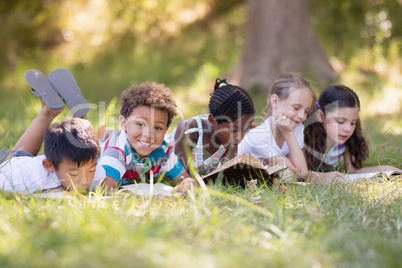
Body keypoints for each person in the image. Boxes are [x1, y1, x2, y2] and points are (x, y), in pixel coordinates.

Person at [0, 69, 104, 193]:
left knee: (18, 155)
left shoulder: (89, 166)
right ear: (49, 166)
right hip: (8, 167)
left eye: (91, 170)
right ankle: (70, 115)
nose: (84, 181)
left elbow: (110, 188)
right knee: (14, 158)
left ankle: (54, 113)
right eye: (74, 174)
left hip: (23, 162)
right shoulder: (28, 180)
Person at [98, 82, 195, 194]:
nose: (148, 134)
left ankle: (107, 133)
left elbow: (183, 178)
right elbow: (106, 192)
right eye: (140, 124)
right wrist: (150, 200)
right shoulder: (116, 151)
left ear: (166, 129)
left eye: (158, 127)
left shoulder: (163, 149)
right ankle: (104, 134)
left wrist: (188, 184)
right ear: (124, 123)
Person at [303, 85, 401, 183]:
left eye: (353, 122)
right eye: (340, 122)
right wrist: (320, 177)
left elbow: (353, 170)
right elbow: (297, 171)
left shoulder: (344, 142)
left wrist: (387, 169)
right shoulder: (305, 137)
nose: (348, 129)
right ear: (321, 115)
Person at [238, 72, 320, 178]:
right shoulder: (258, 138)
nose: (302, 116)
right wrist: (288, 133)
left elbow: (297, 168)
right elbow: (301, 173)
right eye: (296, 108)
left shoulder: (297, 128)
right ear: (275, 101)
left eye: (306, 111)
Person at [169, 78, 255, 175]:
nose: (240, 137)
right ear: (212, 120)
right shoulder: (189, 129)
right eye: (234, 130)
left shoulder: (231, 141)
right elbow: (181, 176)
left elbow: (225, 176)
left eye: (245, 129)